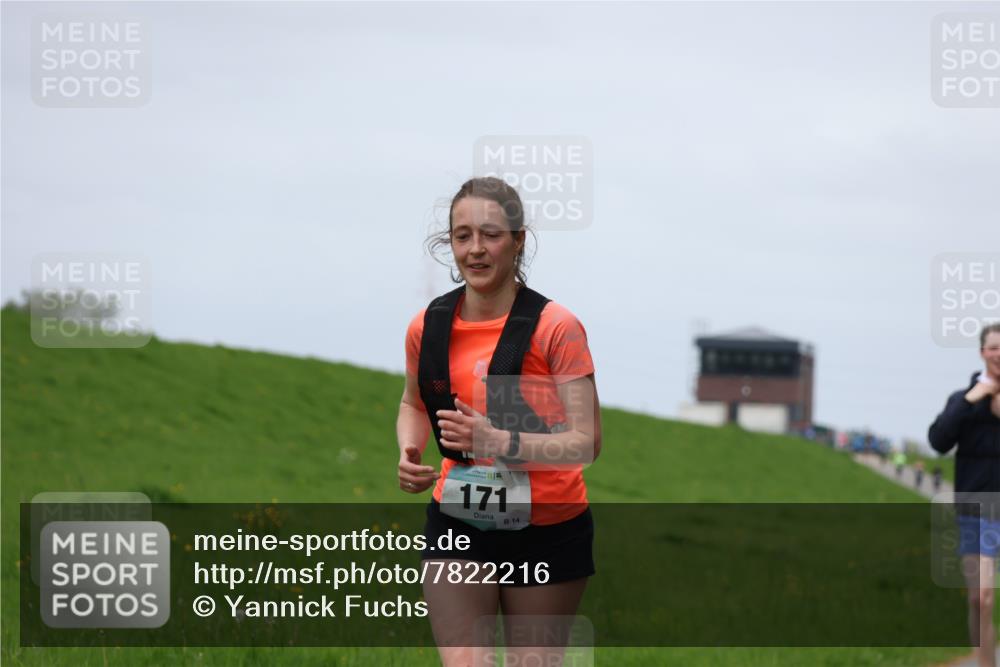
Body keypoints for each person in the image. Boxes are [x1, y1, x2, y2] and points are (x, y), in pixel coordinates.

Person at [395, 177, 602, 667]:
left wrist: (496, 439)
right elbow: (414, 404)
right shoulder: (428, 326)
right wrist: (409, 449)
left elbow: (586, 442)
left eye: (490, 235)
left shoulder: (556, 327)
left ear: (518, 240)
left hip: (548, 527)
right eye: (462, 235)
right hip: (457, 519)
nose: (476, 249)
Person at [929, 322, 1000, 667]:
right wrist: (972, 399)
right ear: (982, 352)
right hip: (975, 509)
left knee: (984, 598)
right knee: (980, 599)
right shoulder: (963, 400)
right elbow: (939, 441)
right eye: (994, 347)